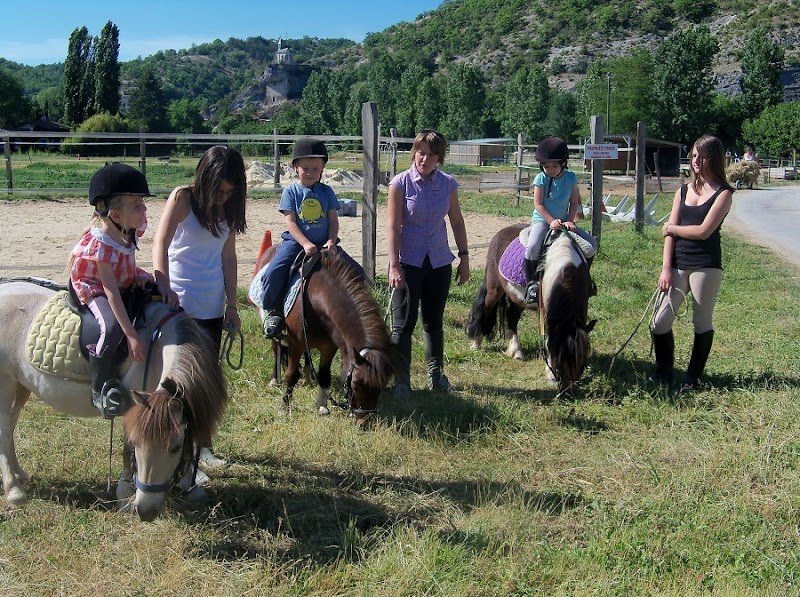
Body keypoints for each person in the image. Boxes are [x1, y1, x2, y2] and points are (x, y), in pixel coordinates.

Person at [153, 145, 247, 469]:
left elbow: (228, 257)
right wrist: (162, 284)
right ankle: (179, 455)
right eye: (219, 190)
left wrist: (232, 306)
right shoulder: (182, 198)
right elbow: (160, 242)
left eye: (229, 192)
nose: (223, 197)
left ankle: (202, 447)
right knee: (180, 387)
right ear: (205, 179)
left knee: (205, 385)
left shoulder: (229, 210)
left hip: (212, 309)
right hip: (179, 308)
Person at [387, 129, 470, 398]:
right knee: (403, 324)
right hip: (408, 261)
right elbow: (392, 227)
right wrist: (394, 265)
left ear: (440, 158)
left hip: (438, 262)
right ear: (414, 152)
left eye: (432, 154)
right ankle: (401, 380)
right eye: (421, 152)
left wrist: (465, 257)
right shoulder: (400, 184)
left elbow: (456, 221)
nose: (425, 158)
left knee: (433, 322)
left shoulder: (448, 184)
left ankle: (436, 375)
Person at [254, 137, 363, 339]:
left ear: (322, 168)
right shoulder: (291, 192)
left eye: (316, 168)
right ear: (296, 167)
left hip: (325, 243)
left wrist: (331, 241)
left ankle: (359, 316)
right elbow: (291, 222)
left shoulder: (327, 192)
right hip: (296, 243)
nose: (311, 172)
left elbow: (333, 219)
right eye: (306, 168)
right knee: (275, 271)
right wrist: (305, 243)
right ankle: (272, 311)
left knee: (358, 273)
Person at [651, 134, 734, 394]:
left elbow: (703, 232)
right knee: (659, 322)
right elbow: (668, 236)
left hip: (705, 265)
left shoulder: (724, 194)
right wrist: (666, 268)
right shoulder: (683, 191)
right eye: (694, 155)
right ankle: (664, 371)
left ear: (714, 158)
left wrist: (672, 227)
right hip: (677, 265)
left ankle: (691, 378)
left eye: (702, 156)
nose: (696, 161)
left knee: (701, 322)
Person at [70, 163, 153, 418]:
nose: (144, 209)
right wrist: (131, 335)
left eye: (143, 202)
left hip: (121, 277)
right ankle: (101, 386)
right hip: (95, 284)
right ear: (116, 216)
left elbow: (127, 260)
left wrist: (136, 277)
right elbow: (110, 292)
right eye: (137, 205)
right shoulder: (101, 243)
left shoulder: (128, 229)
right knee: (111, 326)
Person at [523, 136, 598, 305]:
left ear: (563, 163)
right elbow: (538, 204)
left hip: (564, 221)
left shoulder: (571, 178)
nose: (550, 169)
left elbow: (574, 202)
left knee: (591, 245)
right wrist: (551, 221)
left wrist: (570, 220)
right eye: (546, 166)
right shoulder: (540, 179)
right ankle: (531, 284)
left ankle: (585, 279)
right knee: (533, 247)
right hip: (543, 220)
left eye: (554, 165)